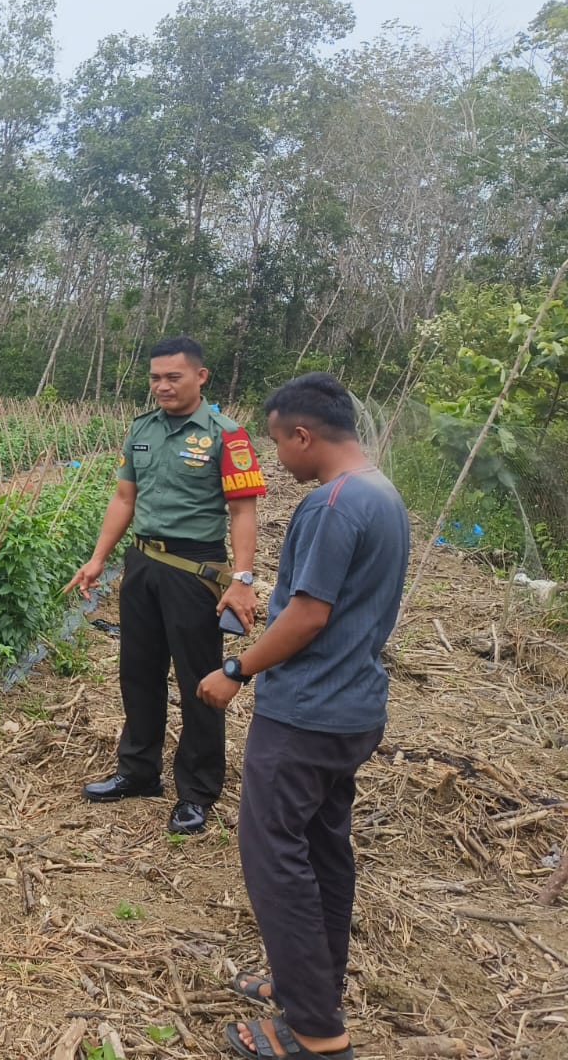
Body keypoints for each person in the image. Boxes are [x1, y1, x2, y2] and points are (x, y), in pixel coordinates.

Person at [196, 372, 408, 1060]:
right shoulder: (382, 493)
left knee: (274, 855)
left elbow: (310, 616)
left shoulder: (333, 504)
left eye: (277, 442)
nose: (276, 458)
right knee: (321, 849)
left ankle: (316, 1030)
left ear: (303, 434)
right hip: (351, 706)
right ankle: (312, 981)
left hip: (307, 713)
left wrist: (236, 669)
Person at [64, 336, 265, 835]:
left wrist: (242, 579)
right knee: (137, 671)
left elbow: (243, 511)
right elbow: (124, 497)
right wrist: (97, 559)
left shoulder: (226, 436)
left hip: (194, 569)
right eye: (155, 377)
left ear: (201, 377)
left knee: (199, 680)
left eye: (173, 376)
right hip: (143, 563)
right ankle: (138, 771)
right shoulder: (141, 430)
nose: (162, 386)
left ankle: (196, 791)